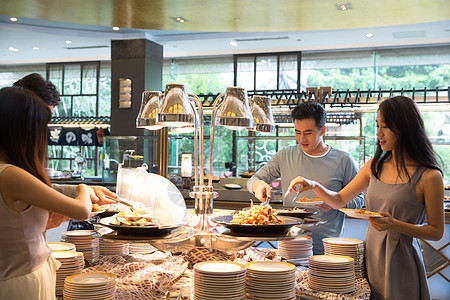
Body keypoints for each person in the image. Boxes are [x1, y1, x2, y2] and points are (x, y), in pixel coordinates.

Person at [287, 96, 444, 299]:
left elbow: (436, 231)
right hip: (369, 256)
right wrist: (315, 185)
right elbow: (339, 200)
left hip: (403, 261)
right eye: (377, 125)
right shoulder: (374, 166)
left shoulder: (429, 176)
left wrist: (394, 224)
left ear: (406, 127)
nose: (378, 133)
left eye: (385, 126)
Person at [0, 86, 96, 299]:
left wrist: (44, 225)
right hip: (22, 283)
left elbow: (11, 230)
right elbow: (82, 211)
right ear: (24, 130)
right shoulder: (10, 174)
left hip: (26, 274)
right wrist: (83, 188)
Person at [247, 101, 364, 254]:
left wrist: (336, 202)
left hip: (329, 248)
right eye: (297, 132)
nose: (301, 139)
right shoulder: (285, 155)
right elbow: (253, 180)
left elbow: (360, 200)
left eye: (308, 133)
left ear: (322, 130)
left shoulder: (343, 160)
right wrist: (258, 186)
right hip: (290, 246)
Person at [14, 73, 116, 229]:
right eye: (41, 118)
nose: (43, 126)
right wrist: (82, 189)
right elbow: (81, 211)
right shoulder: (9, 168)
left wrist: (80, 190)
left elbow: (37, 190)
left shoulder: (21, 153)